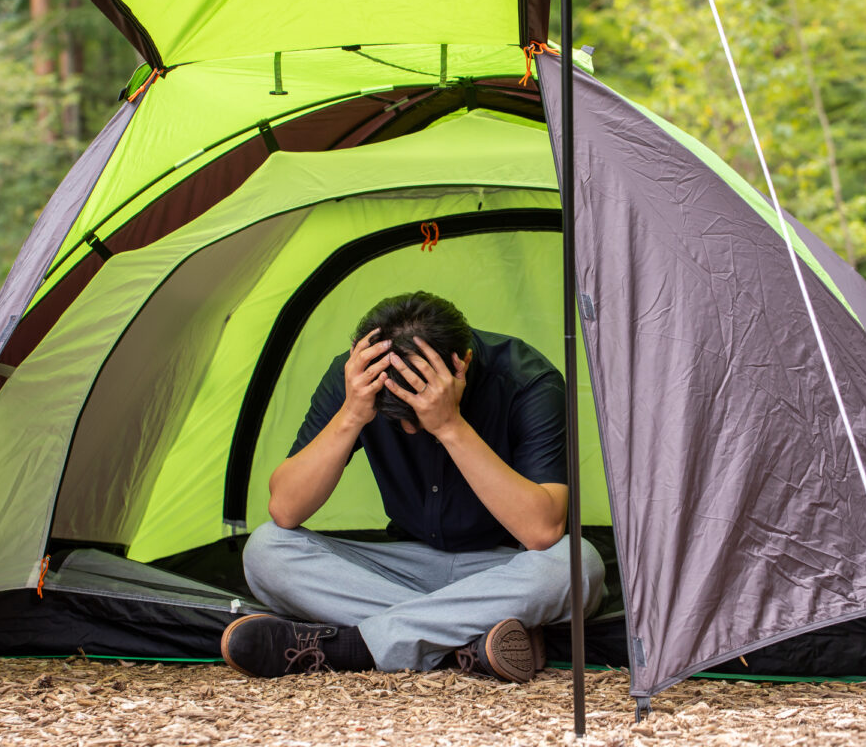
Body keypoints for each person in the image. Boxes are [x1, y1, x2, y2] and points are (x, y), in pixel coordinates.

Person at [221, 291, 604, 682]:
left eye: (417, 417)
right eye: (396, 417)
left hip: (503, 568)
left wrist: (449, 426)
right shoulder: (356, 377)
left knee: (577, 566)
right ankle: (471, 638)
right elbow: (285, 508)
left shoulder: (528, 380)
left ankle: (350, 647)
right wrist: (353, 413)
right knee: (267, 550)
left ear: (465, 363)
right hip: (403, 569)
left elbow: (542, 531)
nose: (409, 429)